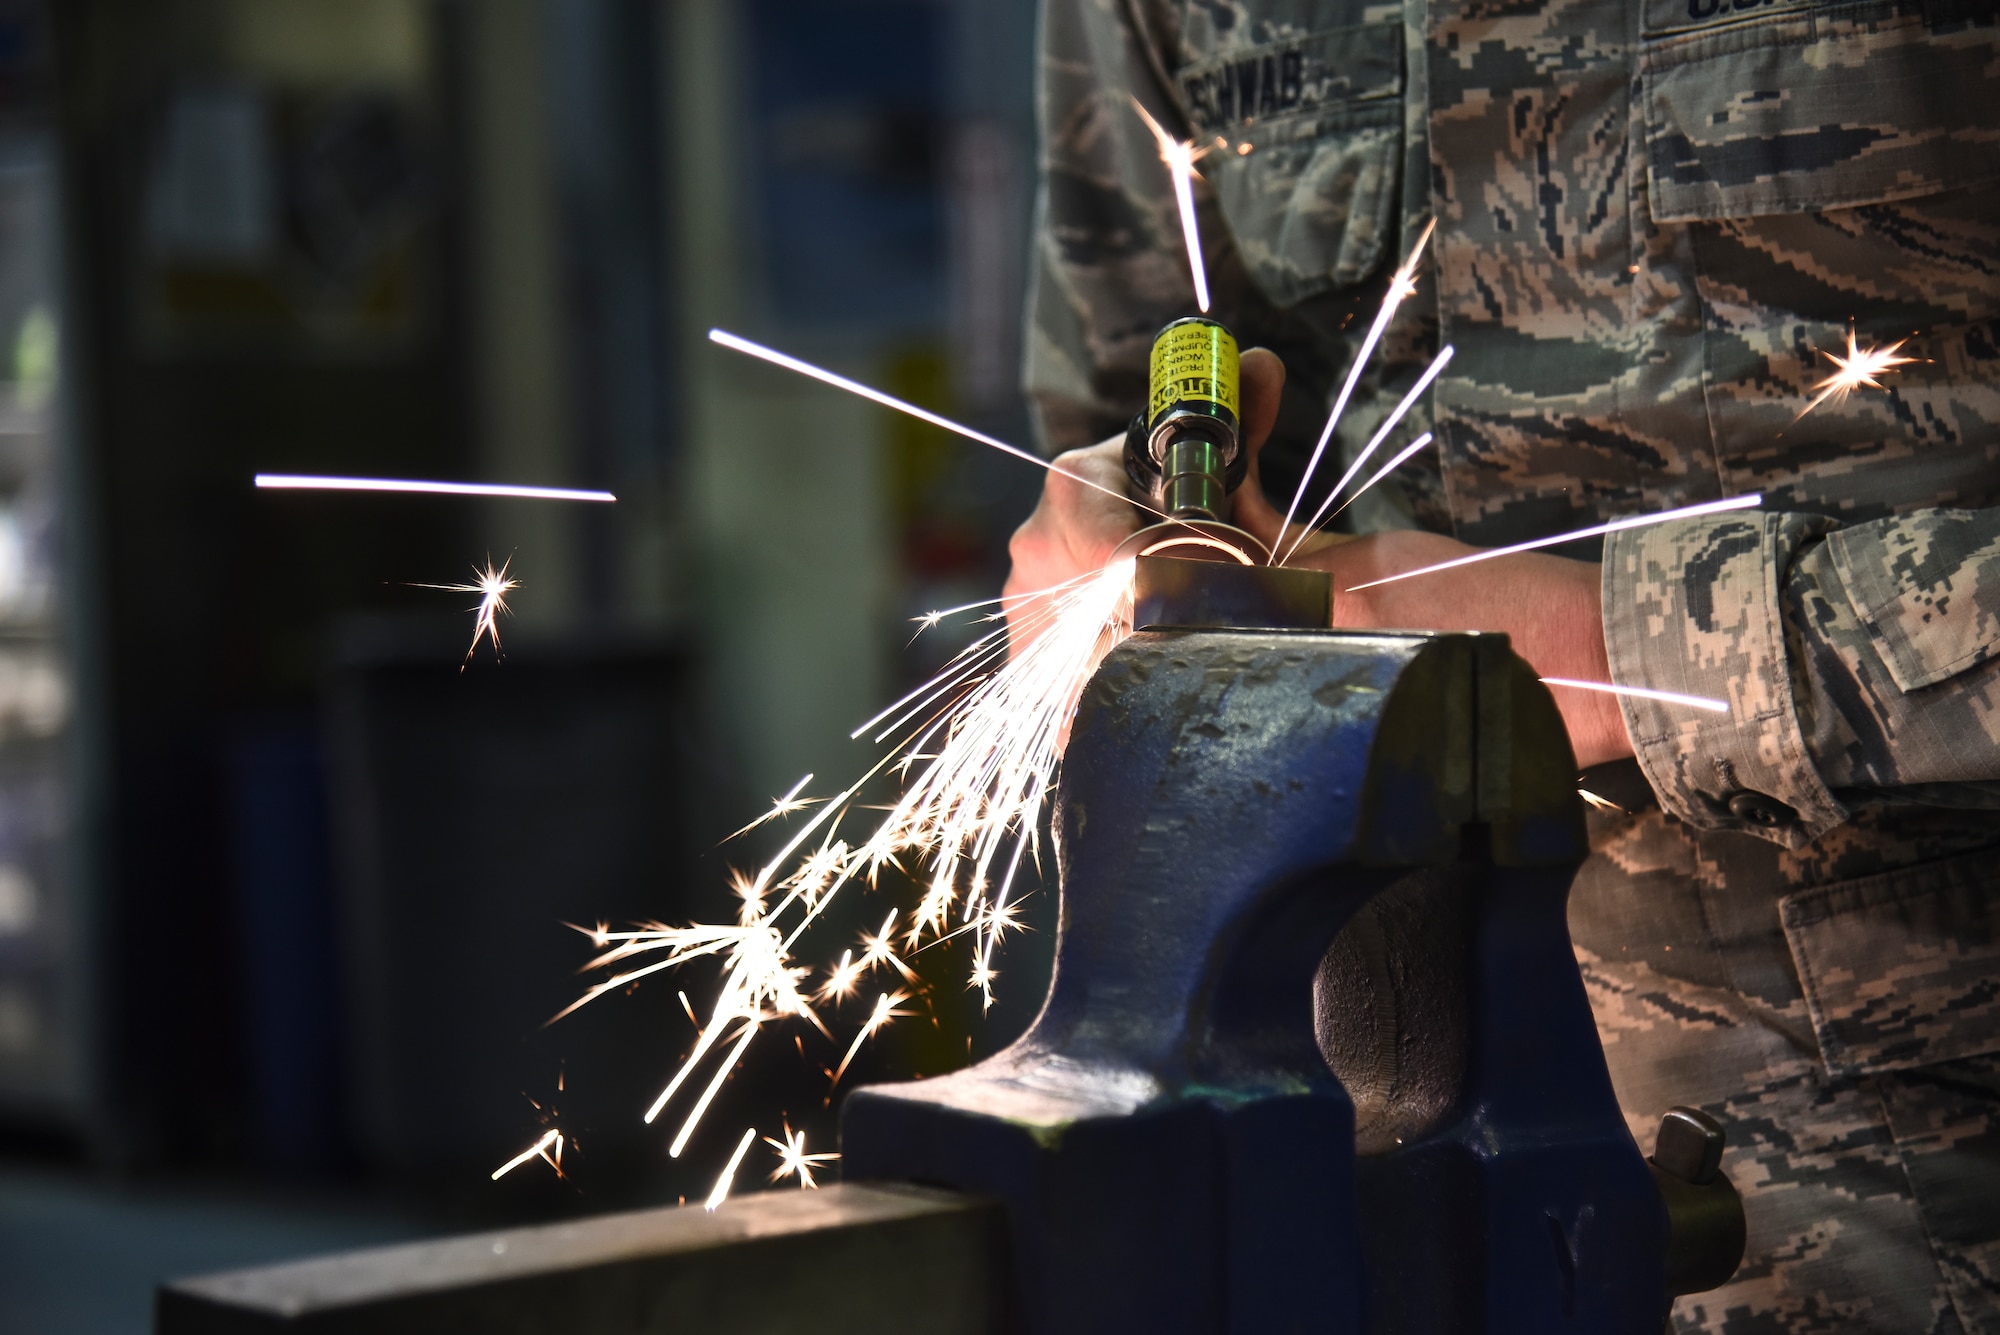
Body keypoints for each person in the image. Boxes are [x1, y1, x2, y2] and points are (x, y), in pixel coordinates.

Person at [1005, 1, 2000, 1330]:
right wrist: (1109, 537)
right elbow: (1139, 404)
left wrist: (1625, 650)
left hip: (1924, 1182)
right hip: (1377, 1181)